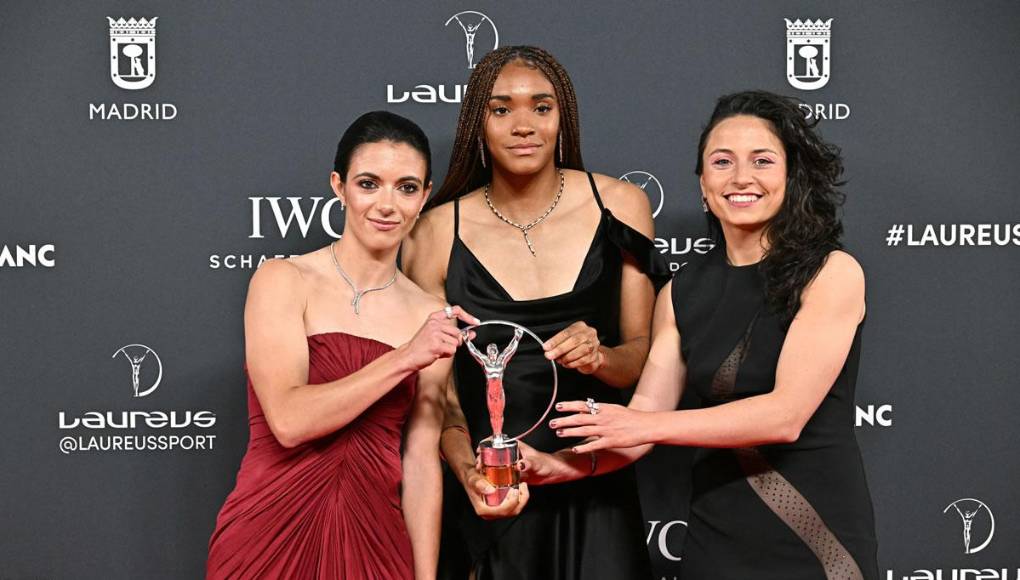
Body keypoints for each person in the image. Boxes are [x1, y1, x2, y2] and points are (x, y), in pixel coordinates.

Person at [539, 90, 880, 579]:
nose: (741, 178)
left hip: (815, 539)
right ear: (702, 184)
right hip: (713, 542)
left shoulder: (831, 272)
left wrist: (645, 427)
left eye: (762, 160)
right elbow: (639, 428)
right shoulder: (680, 291)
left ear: (791, 176)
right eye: (722, 162)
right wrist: (556, 465)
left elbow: (785, 416)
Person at [403, 45, 670, 580]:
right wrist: (471, 473)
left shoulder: (621, 205)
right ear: (477, 123)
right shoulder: (434, 231)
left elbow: (640, 359)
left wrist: (598, 359)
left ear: (562, 118)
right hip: (495, 497)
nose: (523, 125)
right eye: (501, 109)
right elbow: (440, 404)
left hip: (596, 487)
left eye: (541, 107)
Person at [207, 111, 478, 580]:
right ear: (339, 186)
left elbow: (419, 465)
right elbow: (290, 421)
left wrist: (426, 577)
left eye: (407, 187)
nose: (387, 205)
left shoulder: (429, 313)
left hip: (376, 540)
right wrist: (406, 357)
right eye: (369, 183)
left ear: (425, 197)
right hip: (268, 535)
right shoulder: (284, 279)